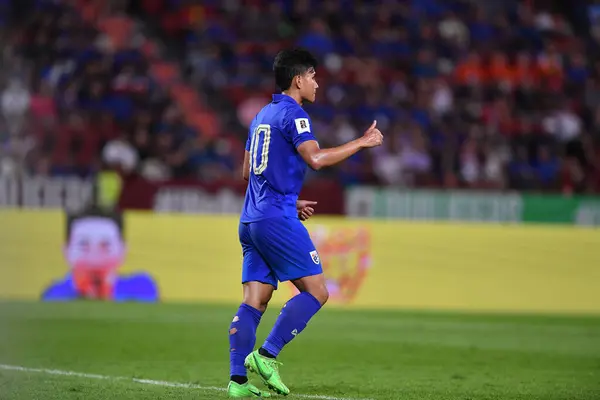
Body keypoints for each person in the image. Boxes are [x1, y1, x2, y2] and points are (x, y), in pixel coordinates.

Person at [227, 48, 383, 398]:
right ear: (298, 79)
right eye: (312, 75)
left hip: (251, 219)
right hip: (274, 219)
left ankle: (237, 383)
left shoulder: (261, 115)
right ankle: (266, 355)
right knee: (317, 291)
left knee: (256, 299)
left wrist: (286, 198)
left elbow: (247, 171)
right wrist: (362, 142)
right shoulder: (294, 115)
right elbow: (314, 159)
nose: (316, 82)